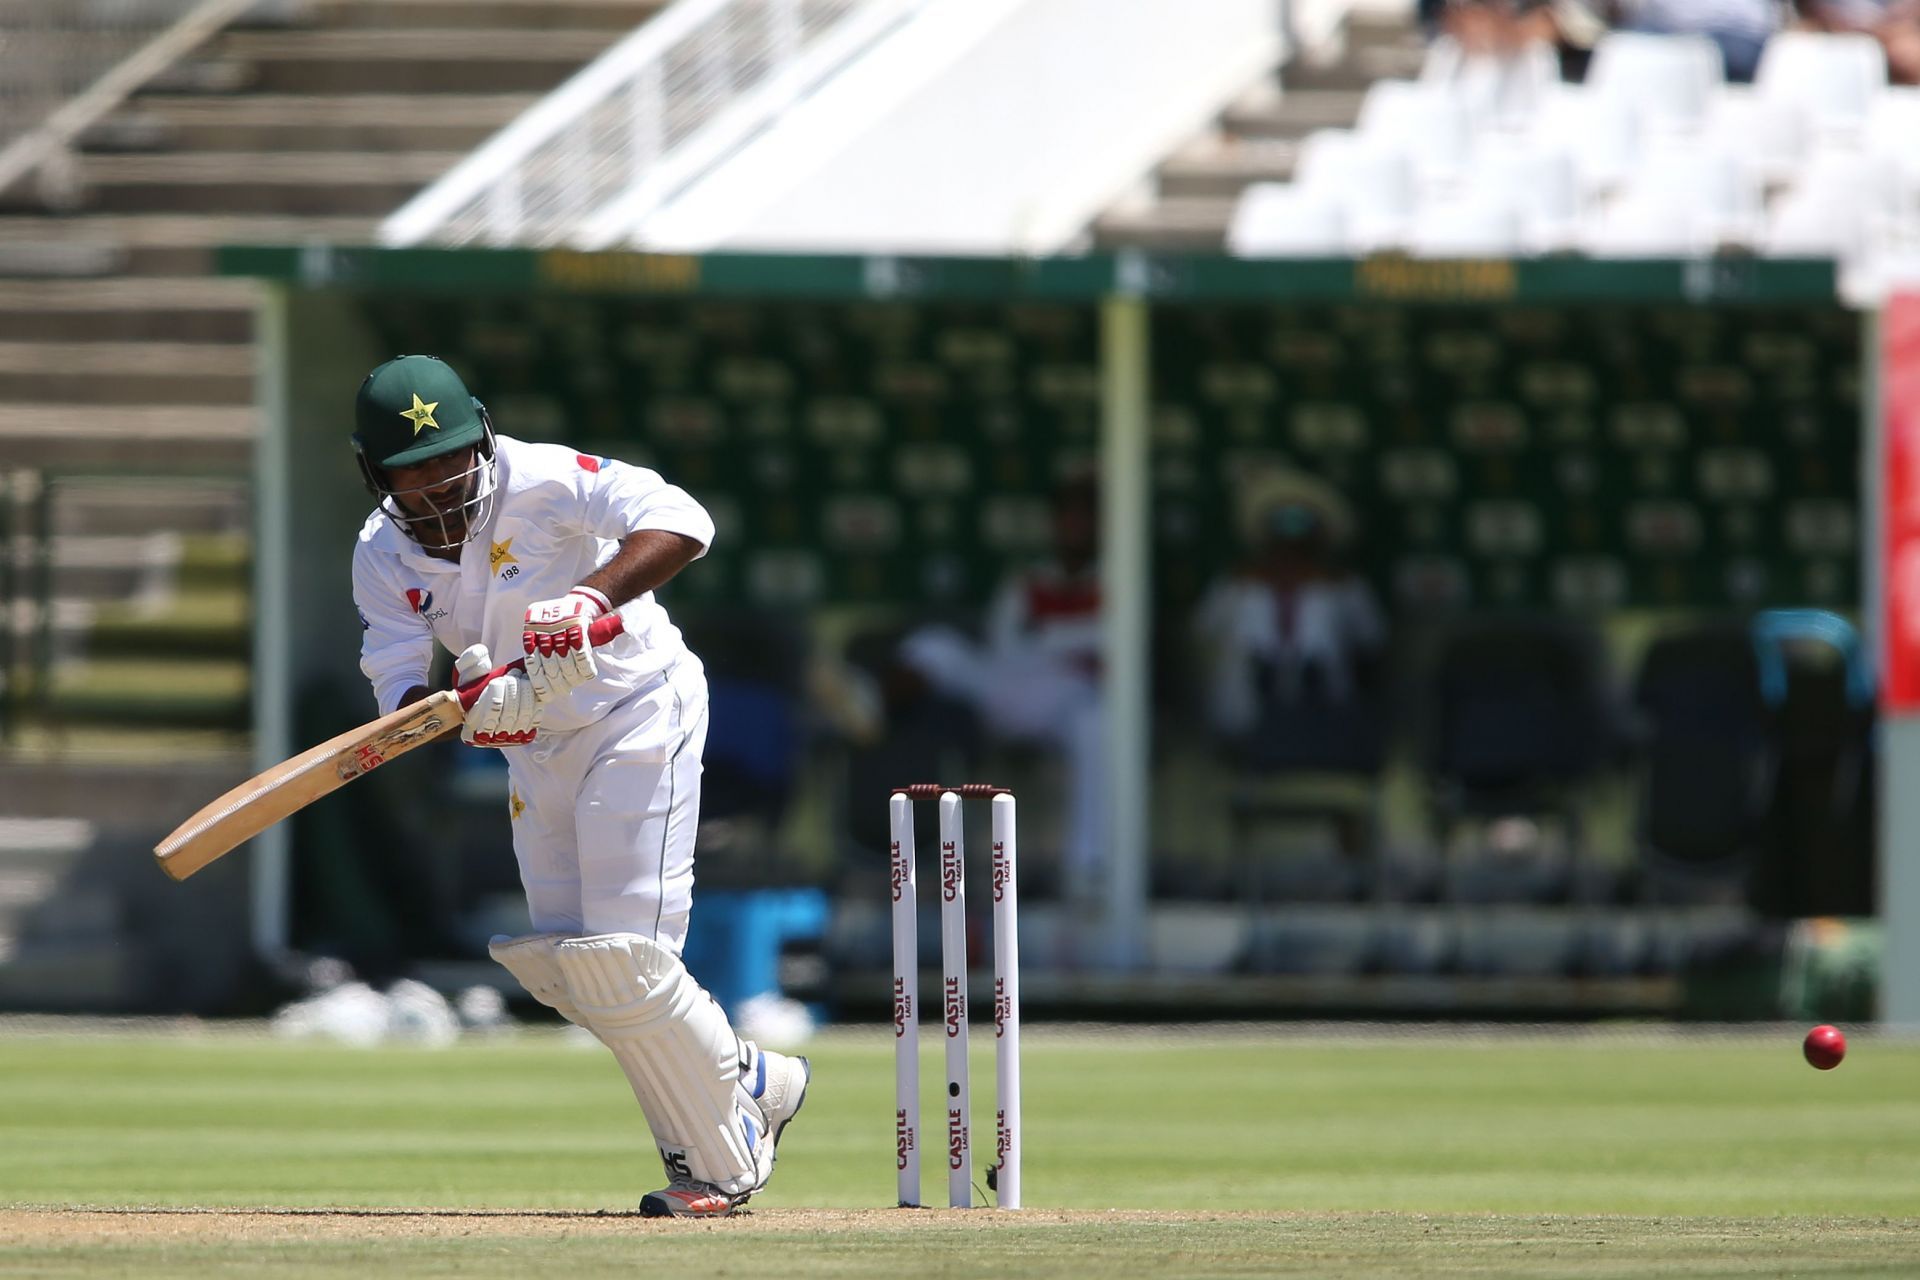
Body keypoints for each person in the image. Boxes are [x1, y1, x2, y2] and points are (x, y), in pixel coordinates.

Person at [347, 354, 808, 1219]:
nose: (442, 487)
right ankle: (751, 1077)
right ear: (377, 475)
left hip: (638, 713)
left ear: (481, 437)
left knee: (627, 957)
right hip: (536, 751)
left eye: (452, 459)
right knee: (572, 971)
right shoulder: (381, 555)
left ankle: (717, 1162)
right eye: (416, 471)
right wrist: (465, 714)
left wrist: (590, 599)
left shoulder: (547, 479)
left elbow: (683, 517)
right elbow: (398, 675)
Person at [895, 477, 1107, 895]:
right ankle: (867, 704)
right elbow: (1005, 643)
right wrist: (1063, 637)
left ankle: (1088, 869)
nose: (1075, 527)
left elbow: (1110, 643)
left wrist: (1048, 635)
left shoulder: (1117, 580)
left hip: (1065, 702)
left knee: (1100, 725)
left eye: (1085, 517)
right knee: (936, 647)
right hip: (1008, 687)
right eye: (1068, 517)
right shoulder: (1028, 579)